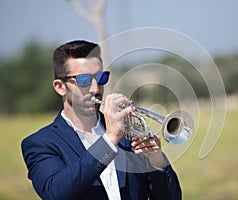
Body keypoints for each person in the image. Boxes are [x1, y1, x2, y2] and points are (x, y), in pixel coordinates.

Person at [21, 40, 182, 200]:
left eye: (100, 77)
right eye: (84, 80)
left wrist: (157, 161)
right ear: (60, 87)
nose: (95, 88)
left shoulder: (129, 136)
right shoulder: (40, 143)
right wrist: (109, 139)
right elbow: (56, 193)